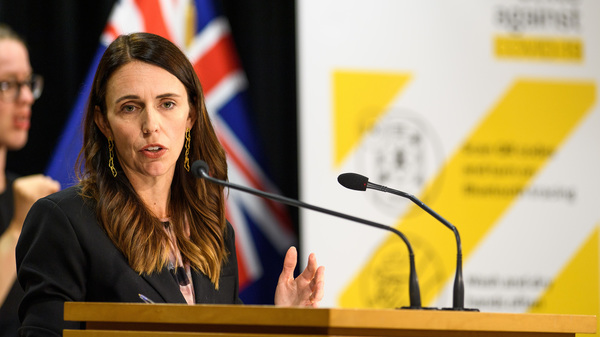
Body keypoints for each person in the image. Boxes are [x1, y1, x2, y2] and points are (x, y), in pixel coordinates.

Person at [15, 32, 324, 336]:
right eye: (130, 107)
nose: (151, 126)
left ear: (190, 115)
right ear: (103, 123)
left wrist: (285, 322)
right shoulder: (64, 221)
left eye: (167, 104)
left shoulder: (213, 232)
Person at [0, 25, 61, 337]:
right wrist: (17, 227)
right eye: (7, 85)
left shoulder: (26, 193)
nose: (26, 97)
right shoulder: (25, 209)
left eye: (27, 83)